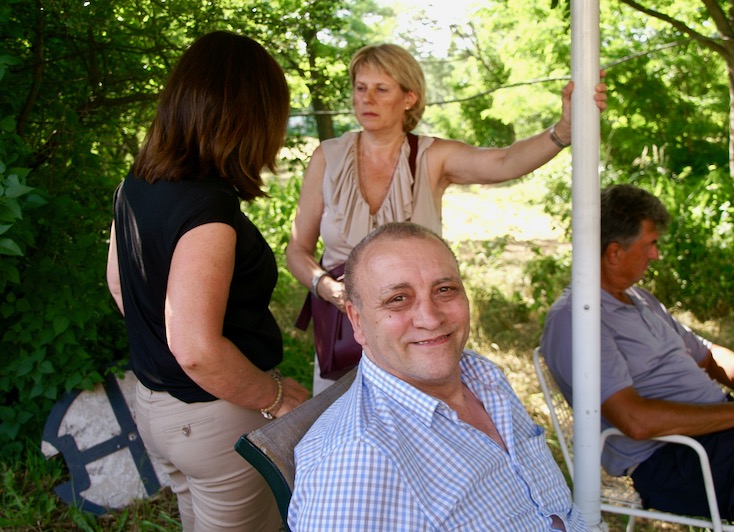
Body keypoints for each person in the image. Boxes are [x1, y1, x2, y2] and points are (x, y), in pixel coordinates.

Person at [286, 43, 608, 394]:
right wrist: (327, 287)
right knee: (341, 417)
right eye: (360, 88)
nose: (367, 99)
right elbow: (297, 250)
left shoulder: (432, 156)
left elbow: (505, 162)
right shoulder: (328, 157)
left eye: (381, 89)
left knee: (419, 417)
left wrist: (563, 130)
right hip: (344, 326)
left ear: (409, 98)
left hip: (419, 327)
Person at [105, 31, 310, 531]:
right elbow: (196, 349)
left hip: (157, 409)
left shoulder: (136, 183)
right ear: (250, 117)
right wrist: (274, 395)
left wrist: (166, 358)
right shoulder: (208, 208)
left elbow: (119, 285)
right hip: (218, 419)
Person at [288, 221, 586, 531]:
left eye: (444, 290)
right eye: (398, 299)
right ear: (357, 320)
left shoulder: (481, 374)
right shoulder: (355, 462)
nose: (430, 319)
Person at [540, 183, 734, 530]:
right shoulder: (577, 318)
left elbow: (708, 355)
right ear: (614, 252)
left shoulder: (639, 299)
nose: (656, 255)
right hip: (673, 457)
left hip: (723, 426)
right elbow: (635, 421)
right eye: (650, 244)